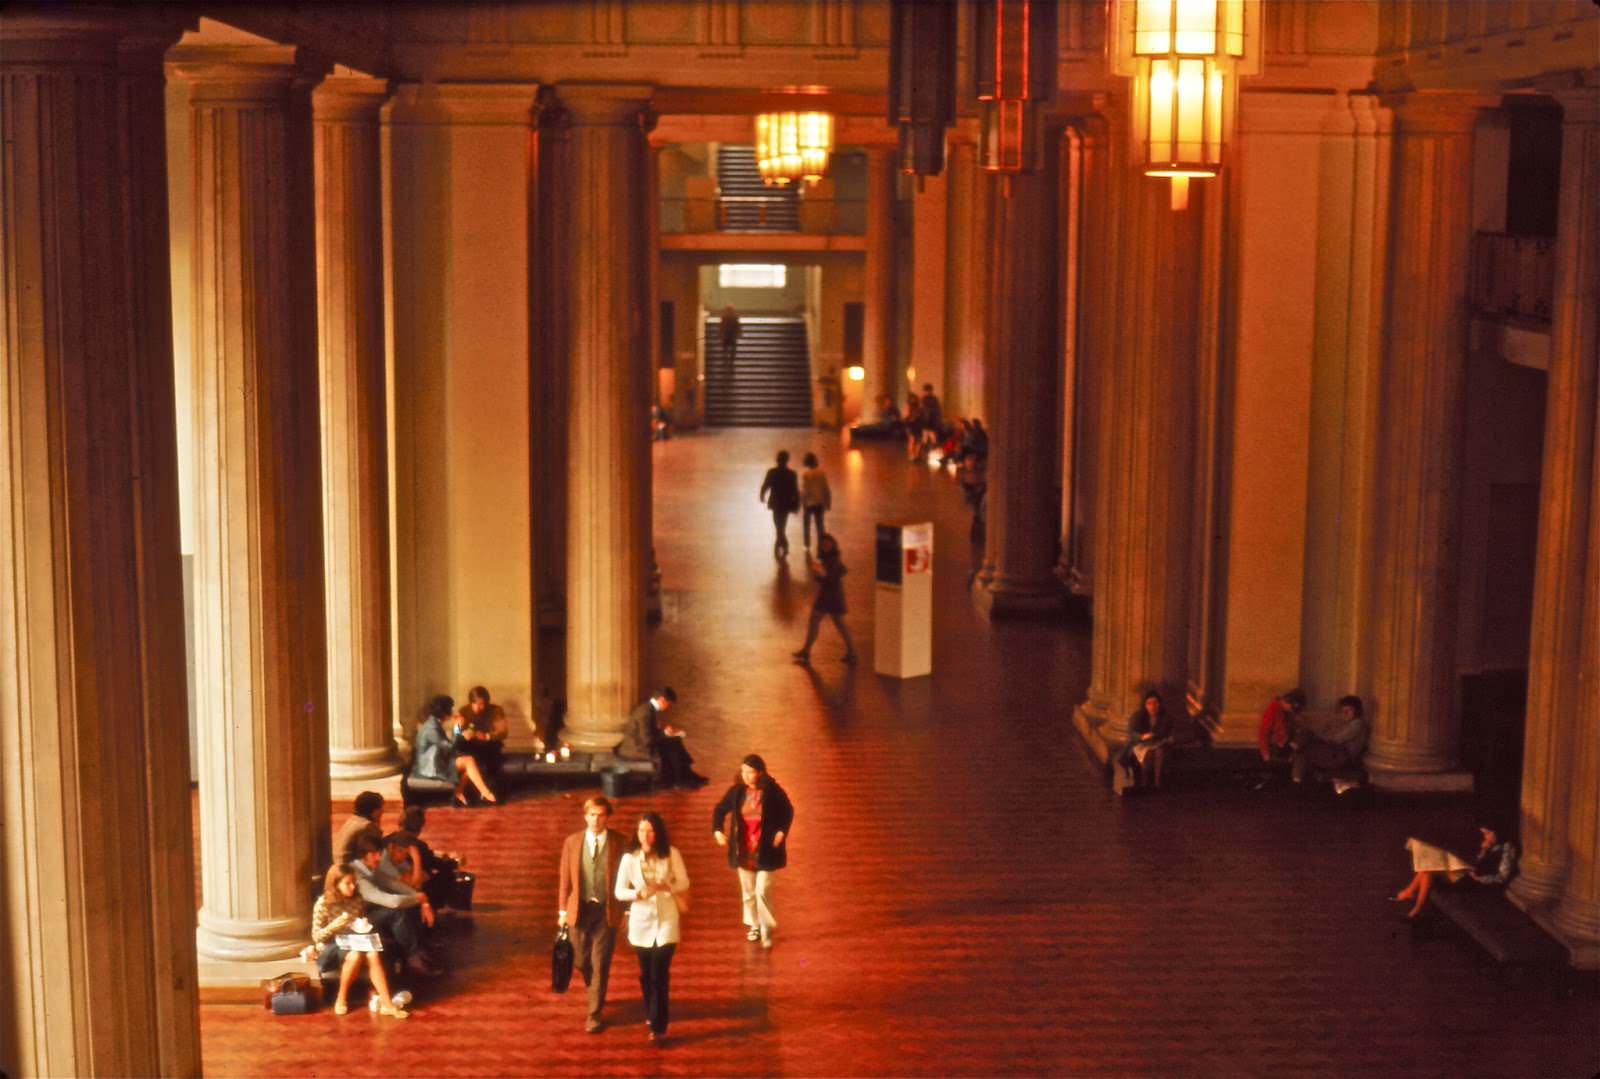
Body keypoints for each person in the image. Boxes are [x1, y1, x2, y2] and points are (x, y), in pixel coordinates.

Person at [615, 812, 690, 1043]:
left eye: (650, 831)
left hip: (667, 919)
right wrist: (638, 893)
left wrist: (667, 884)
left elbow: (684, 882)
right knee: (646, 973)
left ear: (658, 833)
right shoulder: (629, 859)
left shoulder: (671, 854)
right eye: (641, 831)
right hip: (641, 921)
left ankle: (658, 1026)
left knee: (659, 973)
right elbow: (619, 891)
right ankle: (651, 1011)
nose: (645, 836)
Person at [557, 796, 627, 1033]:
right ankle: (591, 981)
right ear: (585, 816)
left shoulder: (620, 842)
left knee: (601, 962)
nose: (596, 820)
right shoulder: (572, 842)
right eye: (591, 815)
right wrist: (562, 911)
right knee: (580, 960)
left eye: (600, 815)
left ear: (607, 817)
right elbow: (565, 878)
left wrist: (626, 910)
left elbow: (627, 877)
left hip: (606, 910)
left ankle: (594, 1013)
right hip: (580, 909)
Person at [711, 755, 795, 949]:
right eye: (744, 772)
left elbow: (787, 810)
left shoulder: (771, 791)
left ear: (760, 772)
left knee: (762, 890)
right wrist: (718, 830)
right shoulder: (737, 792)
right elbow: (720, 810)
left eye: (751, 772)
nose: (747, 776)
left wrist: (782, 831)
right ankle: (754, 924)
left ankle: (766, 925)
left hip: (766, 850)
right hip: (744, 850)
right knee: (748, 892)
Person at [311, 864, 409, 1018]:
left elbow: (359, 921)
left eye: (353, 882)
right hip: (334, 944)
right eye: (347, 883)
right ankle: (341, 998)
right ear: (335, 884)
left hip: (356, 939)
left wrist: (363, 924)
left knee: (373, 955)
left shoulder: (357, 899)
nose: (352, 887)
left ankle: (387, 1004)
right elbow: (316, 936)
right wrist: (333, 926)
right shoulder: (323, 904)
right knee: (355, 955)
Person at [350, 835, 440, 976]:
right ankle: (413, 959)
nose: (379, 858)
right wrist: (417, 899)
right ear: (363, 856)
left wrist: (421, 898)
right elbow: (392, 902)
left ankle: (419, 950)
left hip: (368, 913)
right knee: (398, 912)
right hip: (357, 921)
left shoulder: (370, 868)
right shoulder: (356, 874)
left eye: (379, 853)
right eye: (374, 854)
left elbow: (392, 884)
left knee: (408, 905)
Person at [1391, 823, 1519, 919]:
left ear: (1497, 833)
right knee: (1430, 865)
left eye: (1488, 833)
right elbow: (1479, 863)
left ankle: (1416, 904)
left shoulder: (1508, 849)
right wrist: (1483, 851)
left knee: (1429, 869)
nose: (1486, 837)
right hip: (1470, 874)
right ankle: (1413, 899)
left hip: (1476, 882)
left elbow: (1502, 877)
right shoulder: (1488, 845)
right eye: (1484, 834)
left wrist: (1479, 878)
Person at [412, 694, 498, 808]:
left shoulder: (433, 723)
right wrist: (457, 729)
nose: (452, 711)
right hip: (431, 768)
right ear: (444, 711)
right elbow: (449, 747)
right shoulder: (432, 728)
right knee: (469, 761)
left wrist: (458, 732)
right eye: (450, 709)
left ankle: (459, 792)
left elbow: (446, 746)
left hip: (434, 762)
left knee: (471, 766)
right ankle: (486, 794)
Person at [617, 686, 708, 789]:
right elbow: (647, 741)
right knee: (673, 745)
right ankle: (681, 780)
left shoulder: (648, 708)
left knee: (675, 741)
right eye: (668, 703)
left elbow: (649, 734)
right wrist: (664, 733)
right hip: (636, 749)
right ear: (662, 700)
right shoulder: (646, 712)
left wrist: (664, 733)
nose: (667, 706)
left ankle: (686, 776)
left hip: (639, 745)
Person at [792, 533, 856, 665]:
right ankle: (851, 652)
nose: (825, 546)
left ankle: (807, 651)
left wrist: (818, 573)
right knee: (835, 623)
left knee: (821, 621)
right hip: (830, 595)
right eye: (823, 544)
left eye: (828, 544)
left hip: (830, 596)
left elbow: (830, 578)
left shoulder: (832, 559)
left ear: (833, 545)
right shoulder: (829, 558)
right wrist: (818, 573)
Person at [393, 806, 463, 911]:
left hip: (389, 885)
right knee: (446, 874)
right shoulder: (418, 845)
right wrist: (455, 862)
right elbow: (435, 864)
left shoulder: (387, 840)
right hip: (409, 888)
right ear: (420, 827)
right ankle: (433, 906)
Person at [1292, 694, 1369, 785]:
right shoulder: (1352, 723)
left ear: (1356, 710)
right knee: (1304, 743)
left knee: (1305, 741)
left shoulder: (1357, 724)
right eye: (1343, 711)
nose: (1345, 714)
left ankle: (1296, 777)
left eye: (1348, 710)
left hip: (1341, 756)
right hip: (1336, 752)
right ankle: (1296, 779)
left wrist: (1319, 736)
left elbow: (1336, 739)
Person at [1116, 690, 1173, 790]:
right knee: (1147, 754)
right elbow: (1132, 733)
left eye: (1155, 703)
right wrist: (1142, 737)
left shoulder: (1165, 718)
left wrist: (1156, 735)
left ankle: (1157, 782)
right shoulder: (1138, 716)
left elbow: (1165, 733)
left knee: (1159, 752)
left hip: (1157, 743)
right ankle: (1144, 781)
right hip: (1141, 744)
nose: (1153, 706)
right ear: (1145, 705)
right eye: (1149, 703)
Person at [1254, 688, 1307, 787]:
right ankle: (1296, 779)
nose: (1293, 711)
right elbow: (1264, 733)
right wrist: (1266, 754)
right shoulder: (1274, 710)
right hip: (1277, 747)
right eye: (1292, 708)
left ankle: (1297, 778)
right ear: (1288, 703)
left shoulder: (1286, 712)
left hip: (1285, 744)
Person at [456, 685, 508, 779]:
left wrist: (486, 736)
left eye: (483, 704)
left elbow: (503, 732)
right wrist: (458, 728)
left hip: (489, 747)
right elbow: (456, 734)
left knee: (492, 759)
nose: (481, 707)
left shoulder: (496, 710)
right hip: (470, 748)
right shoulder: (463, 711)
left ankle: (492, 786)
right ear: (471, 702)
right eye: (478, 704)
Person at [759, 450, 800, 559]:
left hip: (775, 503)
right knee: (782, 525)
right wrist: (796, 505)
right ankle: (782, 545)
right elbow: (795, 491)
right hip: (786, 504)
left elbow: (765, 485)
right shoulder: (792, 474)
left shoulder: (772, 472)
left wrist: (762, 496)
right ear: (787, 460)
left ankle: (781, 545)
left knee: (778, 525)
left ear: (777, 460)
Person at [334, 790, 385, 864]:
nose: (382, 811)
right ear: (374, 810)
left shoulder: (352, 820)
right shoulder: (367, 826)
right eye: (381, 808)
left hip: (340, 866)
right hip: (349, 870)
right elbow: (374, 854)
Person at [799, 452, 832, 552]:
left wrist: (802, 502)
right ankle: (821, 546)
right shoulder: (822, 473)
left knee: (806, 524)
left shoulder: (806, 474)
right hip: (820, 503)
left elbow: (805, 491)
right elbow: (826, 489)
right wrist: (828, 502)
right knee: (820, 525)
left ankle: (807, 544)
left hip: (809, 504)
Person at [919, 383, 943, 455]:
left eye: (929, 390)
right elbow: (922, 410)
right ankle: (924, 452)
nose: (928, 392)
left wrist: (938, 420)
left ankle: (932, 452)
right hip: (926, 421)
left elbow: (937, 410)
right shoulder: (924, 399)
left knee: (932, 437)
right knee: (926, 437)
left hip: (932, 421)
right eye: (927, 390)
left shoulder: (933, 399)